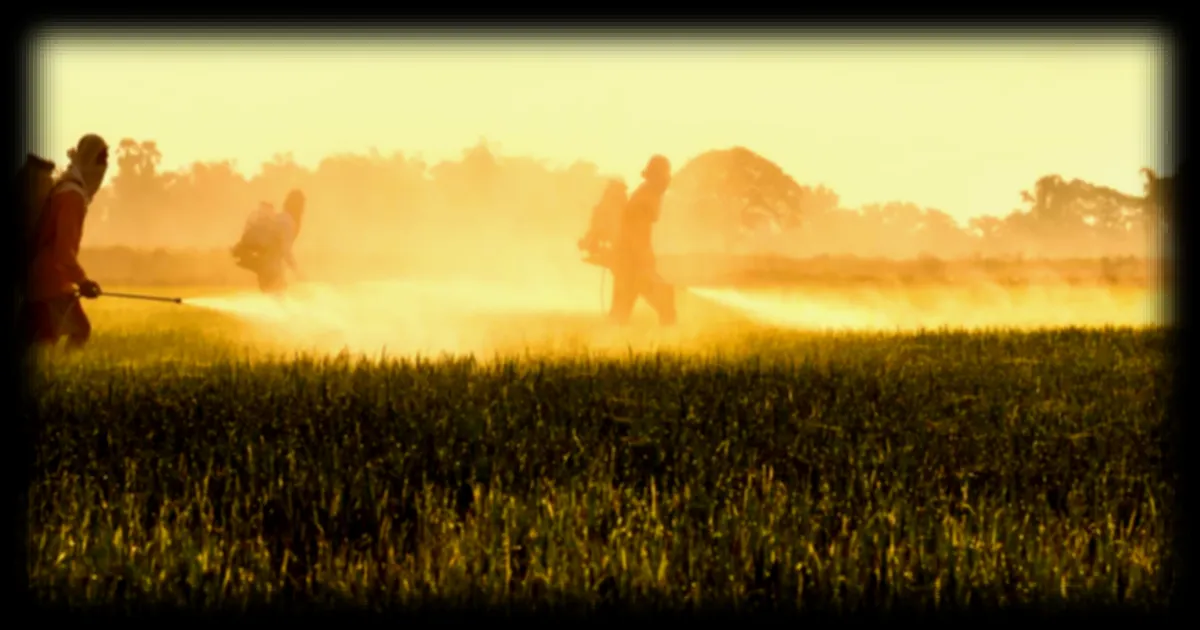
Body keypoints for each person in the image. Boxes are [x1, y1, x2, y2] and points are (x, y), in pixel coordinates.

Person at [26, 134, 109, 351]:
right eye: (102, 161)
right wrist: (83, 282)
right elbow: (63, 251)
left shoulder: (65, 188)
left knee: (39, 340)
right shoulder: (73, 197)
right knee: (79, 331)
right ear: (91, 162)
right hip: (51, 280)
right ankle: (61, 380)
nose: (104, 168)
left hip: (37, 276)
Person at [608, 154, 677, 326]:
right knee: (666, 303)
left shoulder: (647, 194)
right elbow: (637, 234)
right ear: (655, 176)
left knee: (620, 312)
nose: (667, 180)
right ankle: (670, 344)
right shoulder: (645, 199)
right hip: (631, 262)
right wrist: (644, 262)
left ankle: (606, 343)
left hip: (627, 261)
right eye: (664, 175)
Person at [231, 189, 305, 294]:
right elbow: (285, 251)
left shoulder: (282, 218)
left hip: (260, 258)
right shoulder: (288, 223)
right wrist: (297, 271)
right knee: (276, 290)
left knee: (275, 289)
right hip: (265, 261)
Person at [577, 179, 628, 266]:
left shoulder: (610, 208)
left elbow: (596, 229)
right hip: (618, 251)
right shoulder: (607, 207)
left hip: (620, 251)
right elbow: (595, 229)